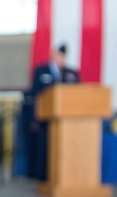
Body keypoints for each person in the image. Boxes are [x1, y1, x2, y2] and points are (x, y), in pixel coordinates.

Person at [27, 44, 79, 180]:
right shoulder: (41, 70)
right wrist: (33, 118)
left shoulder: (71, 73)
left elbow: (78, 94)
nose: (61, 58)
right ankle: (43, 176)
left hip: (66, 120)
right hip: (45, 119)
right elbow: (35, 95)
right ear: (53, 54)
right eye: (59, 54)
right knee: (44, 148)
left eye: (63, 55)